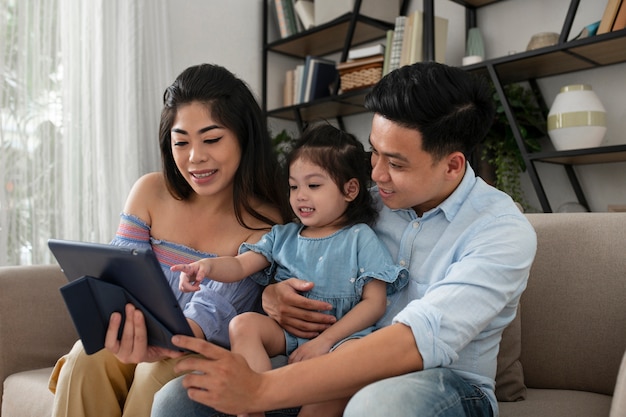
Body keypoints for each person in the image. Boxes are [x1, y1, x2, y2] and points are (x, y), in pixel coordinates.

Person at [150, 61, 538, 417]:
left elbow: (414, 342)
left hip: (440, 383)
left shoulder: (500, 230)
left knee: (378, 407)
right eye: (375, 153)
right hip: (328, 357)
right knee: (179, 401)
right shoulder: (358, 201)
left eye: (397, 163)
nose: (378, 174)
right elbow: (289, 252)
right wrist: (273, 295)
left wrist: (262, 388)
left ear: (453, 164)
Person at [47, 63, 291, 417]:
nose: (195, 157)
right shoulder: (150, 191)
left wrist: (153, 345)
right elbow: (119, 277)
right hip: (143, 334)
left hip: (202, 347)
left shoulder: (264, 223)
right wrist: (119, 328)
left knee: (154, 373)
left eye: (211, 139)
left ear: (244, 137)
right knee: (86, 357)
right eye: (181, 142)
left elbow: (209, 313)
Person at [171, 123, 408, 417]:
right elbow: (240, 265)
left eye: (314, 185)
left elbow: (375, 303)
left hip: (343, 339)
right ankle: (253, 405)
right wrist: (206, 266)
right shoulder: (283, 236)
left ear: (349, 190)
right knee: (243, 325)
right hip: (288, 333)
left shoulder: (360, 238)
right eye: (294, 186)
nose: (300, 196)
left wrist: (325, 342)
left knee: (343, 371)